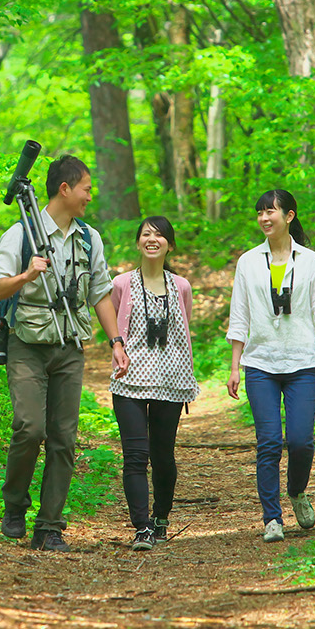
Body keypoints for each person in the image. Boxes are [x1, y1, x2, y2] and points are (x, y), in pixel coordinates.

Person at [0, 155, 129, 552]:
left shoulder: (89, 238)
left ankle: (49, 526)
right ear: (65, 189)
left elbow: (99, 293)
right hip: (27, 346)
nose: (90, 196)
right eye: (86, 188)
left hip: (69, 347)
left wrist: (116, 342)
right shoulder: (20, 234)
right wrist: (26, 276)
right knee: (29, 428)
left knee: (64, 438)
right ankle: (15, 504)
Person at [225, 189, 315, 543]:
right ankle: (271, 519)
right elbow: (239, 315)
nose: (264, 218)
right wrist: (234, 366)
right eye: (259, 212)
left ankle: (297, 490)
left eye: (270, 211)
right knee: (270, 442)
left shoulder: (310, 261)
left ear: (288, 216)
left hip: (303, 362)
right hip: (260, 363)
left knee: (301, 441)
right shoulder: (248, 262)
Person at [109, 216, 197, 552]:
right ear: (137, 242)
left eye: (159, 235)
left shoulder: (182, 286)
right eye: (146, 234)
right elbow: (114, 325)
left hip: (171, 381)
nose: (152, 239)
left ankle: (161, 516)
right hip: (128, 380)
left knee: (163, 455)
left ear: (170, 246)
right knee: (135, 455)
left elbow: (184, 330)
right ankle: (141, 527)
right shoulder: (121, 284)